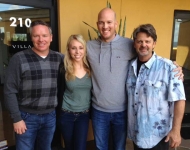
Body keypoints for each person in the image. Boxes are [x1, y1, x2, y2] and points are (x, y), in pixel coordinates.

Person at [86, 8, 184, 150]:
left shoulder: (166, 66)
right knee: (101, 147)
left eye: (109, 22)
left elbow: (179, 98)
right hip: (110, 117)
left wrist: (176, 67)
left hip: (146, 126)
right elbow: (73, 55)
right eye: (101, 22)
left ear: (116, 24)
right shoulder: (90, 47)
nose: (105, 26)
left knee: (120, 147)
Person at [4, 20, 63, 150]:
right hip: (26, 117)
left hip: (50, 117)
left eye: (44, 35)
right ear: (32, 38)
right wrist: (16, 118)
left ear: (51, 37)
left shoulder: (59, 59)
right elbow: (9, 90)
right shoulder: (19, 59)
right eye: (36, 36)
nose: (41, 39)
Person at [126, 24, 186, 150]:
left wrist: (176, 130)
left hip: (158, 136)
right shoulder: (129, 68)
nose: (143, 45)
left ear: (154, 44)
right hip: (137, 134)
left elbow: (180, 99)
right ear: (134, 44)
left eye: (147, 41)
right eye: (140, 41)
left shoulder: (169, 68)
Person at [58, 34, 92, 150]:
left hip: (83, 115)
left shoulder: (91, 68)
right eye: (73, 48)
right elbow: (59, 91)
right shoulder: (64, 68)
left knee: (80, 147)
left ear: (85, 49)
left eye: (81, 48)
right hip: (66, 114)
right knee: (69, 146)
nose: (77, 51)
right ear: (68, 50)